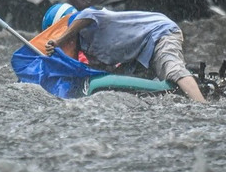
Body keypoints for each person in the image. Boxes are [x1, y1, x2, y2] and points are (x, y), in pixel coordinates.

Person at [43, 5, 207, 103]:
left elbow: (88, 14)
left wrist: (58, 40)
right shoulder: (87, 49)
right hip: (139, 52)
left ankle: (203, 106)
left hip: (159, 33)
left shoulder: (87, 23)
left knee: (171, 68)